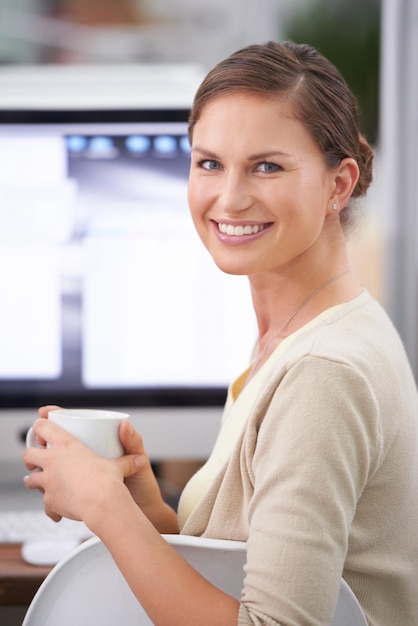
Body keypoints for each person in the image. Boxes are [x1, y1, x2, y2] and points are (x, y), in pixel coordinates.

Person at [24, 41, 418, 625]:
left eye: (267, 166)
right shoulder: (292, 339)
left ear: (339, 185)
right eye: (209, 163)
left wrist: (108, 510)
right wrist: (150, 512)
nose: (228, 198)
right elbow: (242, 566)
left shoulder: (322, 374)